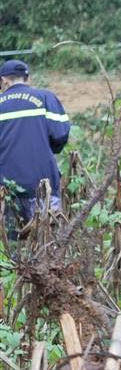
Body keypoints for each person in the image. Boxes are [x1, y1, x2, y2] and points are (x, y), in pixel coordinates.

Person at [0, 59, 69, 237]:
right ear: (27, 78)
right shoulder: (45, 98)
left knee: (12, 248)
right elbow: (60, 135)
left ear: (4, 81)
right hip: (43, 186)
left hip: (6, 190)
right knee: (48, 245)